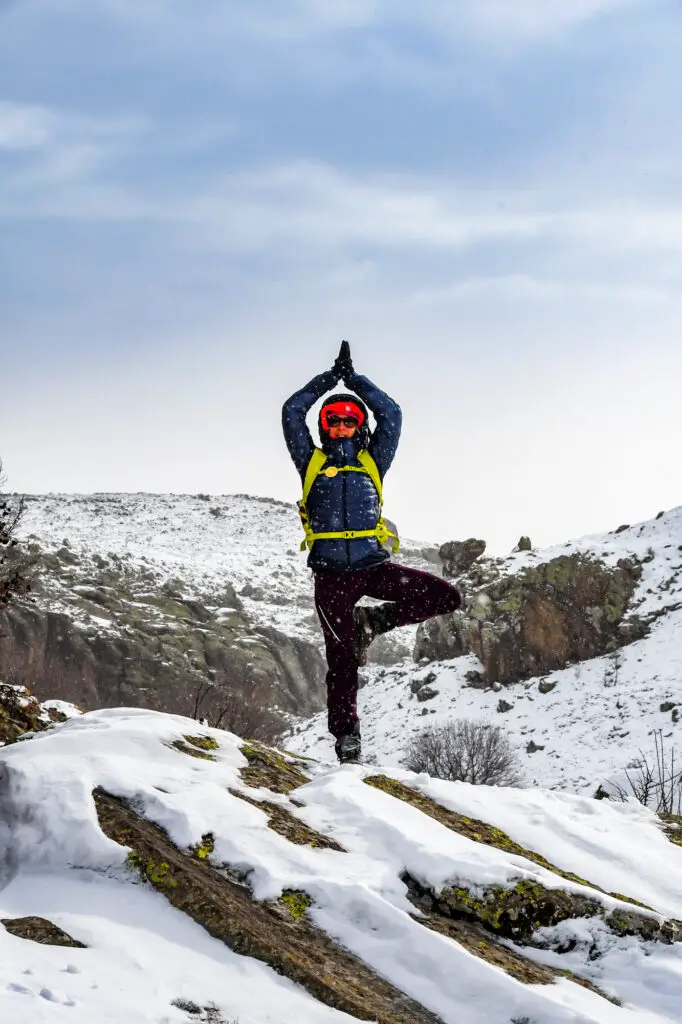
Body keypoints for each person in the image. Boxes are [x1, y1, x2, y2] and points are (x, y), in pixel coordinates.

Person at [282, 342, 462, 763]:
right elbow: (293, 411)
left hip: (373, 568)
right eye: (333, 420)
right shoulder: (308, 460)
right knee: (342, 664)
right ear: (324, 426)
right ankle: (347, 739)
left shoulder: (373, 461)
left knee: (445, 597)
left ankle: (372, 621)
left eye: (350, 419)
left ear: (359, 424)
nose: (342, 425)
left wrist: (355, 380)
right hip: (330, 579)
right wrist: (331, 379)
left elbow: (393, 414)